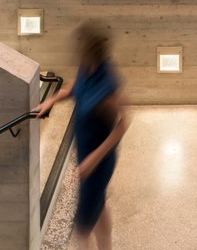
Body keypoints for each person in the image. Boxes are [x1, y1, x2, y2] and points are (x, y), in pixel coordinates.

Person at [33, 21, 129, 249]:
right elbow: (73, 88)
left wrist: (94, 159)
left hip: (98, 161)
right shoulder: (87, 66)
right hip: (86, 152)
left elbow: (123, 124)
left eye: (80, 44)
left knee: (82, 227)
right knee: (99, 204)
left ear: (90, 48)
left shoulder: (107, 84)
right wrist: (51, 101)